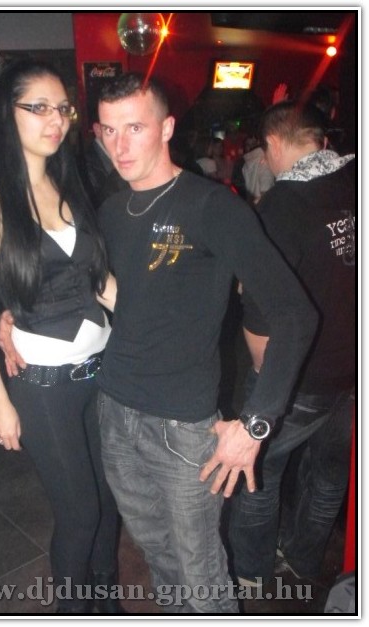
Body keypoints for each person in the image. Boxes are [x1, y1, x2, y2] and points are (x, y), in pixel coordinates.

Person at [0, 72, 317, 613]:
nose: (120, 145)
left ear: (167, 128)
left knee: (201, 574)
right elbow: (78, 284)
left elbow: (295, 314)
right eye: (108, 130)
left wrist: (256, 424)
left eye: (135, 128)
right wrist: (12, 315)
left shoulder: (212, 206)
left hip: (183, 428)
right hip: (115, 414)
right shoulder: (108, 212)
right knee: (158, 558)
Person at [0, 58, 121, 614]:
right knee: (79, 512)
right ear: (8, 112)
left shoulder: (71, 182)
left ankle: (106, 602)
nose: (57, 120)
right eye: (40, 107)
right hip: (44, 386)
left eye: (63, 108)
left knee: (109, 502)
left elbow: (101, 283)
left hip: (105, 373)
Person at [229, 100, 355, 586]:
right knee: (329, 472)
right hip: (354, 368)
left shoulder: (281, 206)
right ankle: (304, 558)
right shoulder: (356, 181)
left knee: (258, 471)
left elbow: (261, 309)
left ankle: (252, 572)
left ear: (274, 144)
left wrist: (266, 382)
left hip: (303, 373)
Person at [82, 120, 127, 207]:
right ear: (98, 130)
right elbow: (96, 208)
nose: (124, 139)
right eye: (111, 130)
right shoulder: (82, 167)